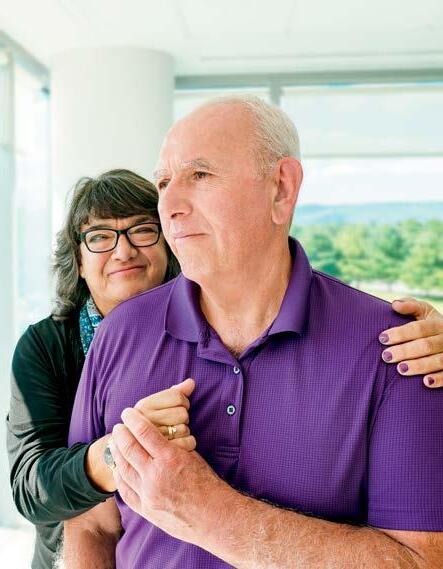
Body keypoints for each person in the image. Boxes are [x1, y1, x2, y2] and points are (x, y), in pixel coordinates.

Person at [66, 97, 443, 568]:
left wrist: (209, 514)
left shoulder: (400, 349)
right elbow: (91, 525)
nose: (170, 207)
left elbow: (420, 561)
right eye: (164, 183)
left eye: (200, 175)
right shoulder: (119, 333)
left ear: (282, 188)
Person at [7, 169, 197, 569]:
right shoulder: (44, 346)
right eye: (99, 237)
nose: (123, 251)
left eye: (142, 230)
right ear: (78, 261)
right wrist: (123, 448)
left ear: (168, 245)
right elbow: (31, 487)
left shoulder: (206, 331)